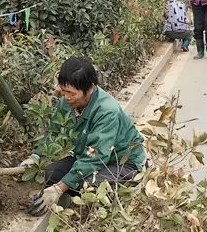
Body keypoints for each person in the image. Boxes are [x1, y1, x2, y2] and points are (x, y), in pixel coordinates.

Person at [20, 57, 146, 216]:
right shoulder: (66, 103)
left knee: (90, 187)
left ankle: (94, 214)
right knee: (51, 173)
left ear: (90, 88)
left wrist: (59, 189)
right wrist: (35, 157)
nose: (66, 97)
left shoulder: (107, 111)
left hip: (122, 162)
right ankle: (76, 195)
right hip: (88, 155)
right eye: (63, 91)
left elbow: (96, 157)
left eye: (71, 93)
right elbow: (53, 134)